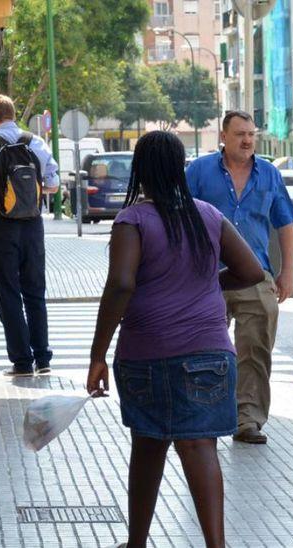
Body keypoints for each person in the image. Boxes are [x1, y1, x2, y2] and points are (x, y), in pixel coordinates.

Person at [85, 131, 264, 548]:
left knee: (148, 445)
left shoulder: (133, 220)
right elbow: (253, 272)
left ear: (141, 171)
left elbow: (120, 285)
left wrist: (97, 354)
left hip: (148, 354)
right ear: (180, 167)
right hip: (210, 354)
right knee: (201, 447)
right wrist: (209, 284)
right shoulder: (208, 215)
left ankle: (136, 544)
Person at [186, 111, 293, 445]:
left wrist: (287, 273)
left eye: (251, 134)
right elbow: (180, 217)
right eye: (239, 134)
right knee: (204, 351)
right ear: (223, 136)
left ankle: (247, 419)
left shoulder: (269, 174)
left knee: (256, 350)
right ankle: (205, 415)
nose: (247, 140)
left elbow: (285, 223)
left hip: (255, 275)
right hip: (208, 277)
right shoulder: (198, 172)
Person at [0, 95, 59, 377]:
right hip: (33, 224)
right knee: (35, 291)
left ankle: (21, 362)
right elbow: (53, 185)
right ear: (13, 114)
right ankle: (43, 359)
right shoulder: (36, 142)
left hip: (2, 224)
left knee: (7, 292)